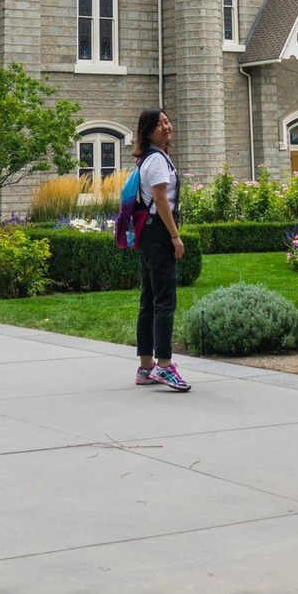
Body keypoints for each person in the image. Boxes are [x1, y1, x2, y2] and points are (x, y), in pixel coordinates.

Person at [133, 108, 191, 391]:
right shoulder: (155, 160)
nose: (166, 127)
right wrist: (175, 236)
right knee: (164, 301)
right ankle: (165, 366)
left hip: (149, 232)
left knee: (149, 299)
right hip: (158, 231)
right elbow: (161, 199)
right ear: (148, 132)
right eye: (159, 124)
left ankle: (146, 366)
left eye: (167, 121)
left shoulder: (149, 157)